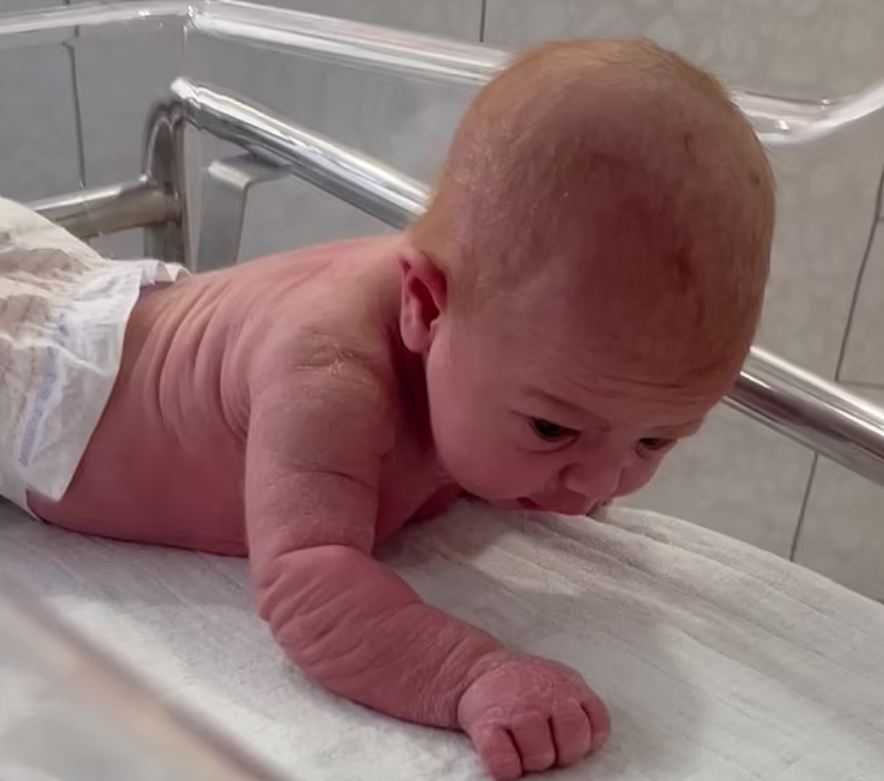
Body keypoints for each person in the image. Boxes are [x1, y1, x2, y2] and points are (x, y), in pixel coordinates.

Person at [3, 38, 773, 781]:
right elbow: (307, 584)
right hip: (36, 376)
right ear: (425, 309)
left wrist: (548, 442)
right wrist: (471, 673)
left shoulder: (488, 333)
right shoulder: (329, 373)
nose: (601, 484)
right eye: (553, 428)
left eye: (655, 441)